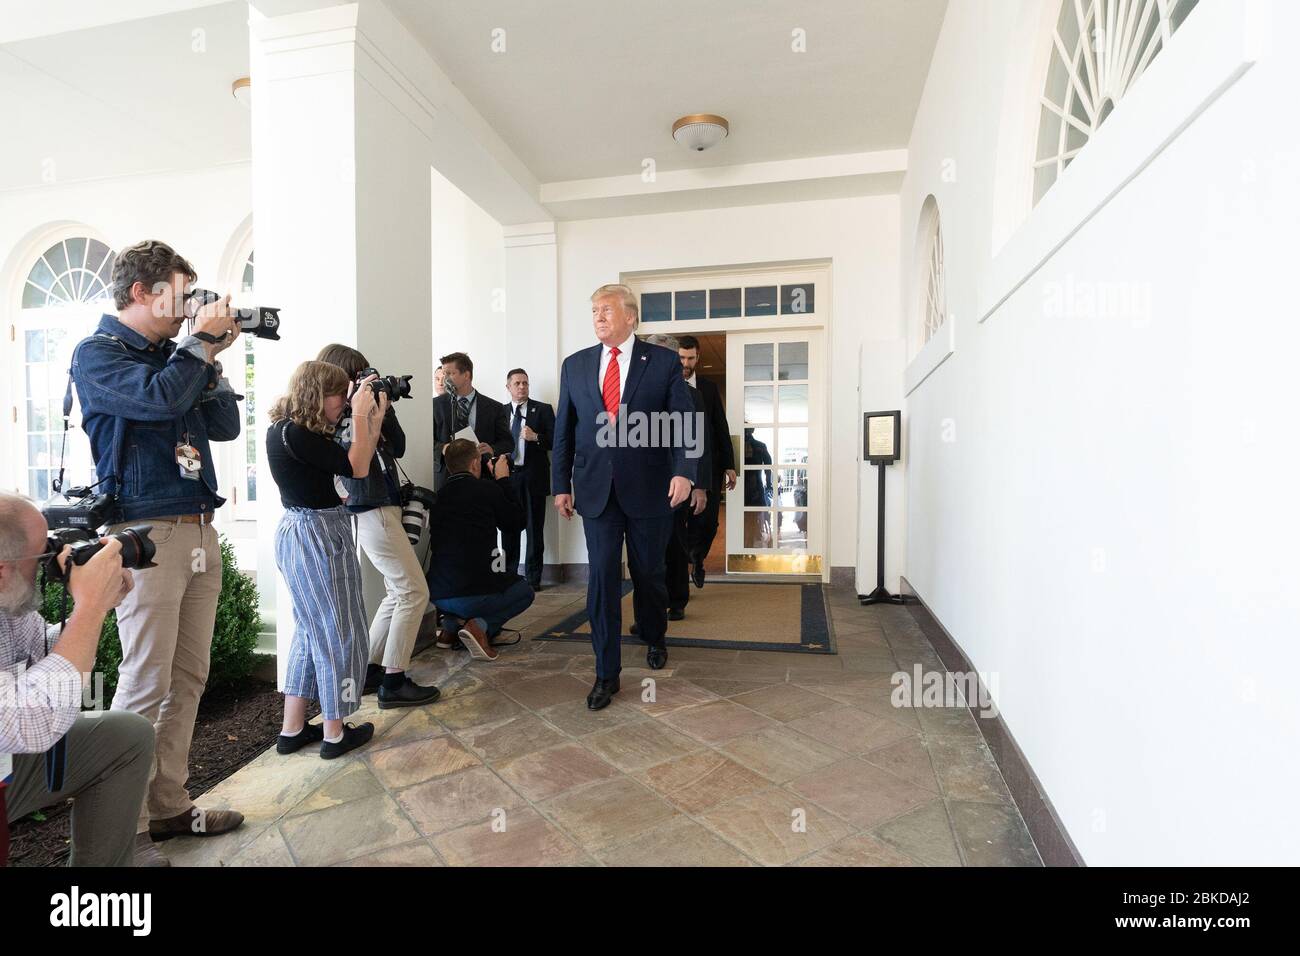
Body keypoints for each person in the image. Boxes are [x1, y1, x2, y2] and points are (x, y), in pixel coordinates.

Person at [70, 239, 244, 860]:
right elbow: (158, 401)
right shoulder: (98, 355)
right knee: (145, 680)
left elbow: (224, 427)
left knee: (188, 676)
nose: (188, 309)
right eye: (178, 294)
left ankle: (168, 807)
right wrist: (197, 349)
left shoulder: (178, 356)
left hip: (198, 526)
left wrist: (211, 358)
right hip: (146, 532)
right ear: (141, 292)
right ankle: (124, 835)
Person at [552, 284, 697, 710]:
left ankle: (654, 634)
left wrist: (685, 474)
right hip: (596, 490)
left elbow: (684, 424)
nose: (598, 317)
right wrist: (561, 484)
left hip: (651, 489)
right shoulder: (575, 365)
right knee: (600, 580)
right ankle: (606, 673)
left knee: (649, 573)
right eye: (594, 310)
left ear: (631, 317)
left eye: (607, 310)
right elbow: (565, 431)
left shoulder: (664, 363)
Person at [1, 493, 154, 867]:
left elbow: (41, 652)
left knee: (126, 737)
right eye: (43, 555)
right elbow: (31, 721)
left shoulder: (8, 600)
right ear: (3, 569)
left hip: (6, 763)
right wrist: (89, 607)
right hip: (13, 740)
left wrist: (99, 604)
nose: (51, 563)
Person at [266, 361, 388, 759]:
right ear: (319, 394)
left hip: (298, 532)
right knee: (340, 630)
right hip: (318, 535)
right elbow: (358, 466)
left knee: (309, 629)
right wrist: (364, 416)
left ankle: (292, 727)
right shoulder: (298, 434)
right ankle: (335, 732)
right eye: (340, 394)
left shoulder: (283, 429)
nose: (344, 401)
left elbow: (346, 460)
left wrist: (368, 417)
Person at [315, 345, 438, 709]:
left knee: (397, 592)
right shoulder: (337, 418)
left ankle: (369, 669)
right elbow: (356, 462)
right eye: (356, 374)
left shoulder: (366, 408)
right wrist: (360, 411)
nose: (362, 380)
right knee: (415, 592)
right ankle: (394, 680)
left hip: (384, 507)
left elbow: (397, 448)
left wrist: (385, 408)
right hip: (370, 509)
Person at [425, 440, 535, 660]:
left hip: (437, 594)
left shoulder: (438, 495)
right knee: (524, 591)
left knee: (462, 578)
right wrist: (503, 480)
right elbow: (516, 522)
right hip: (473, 593)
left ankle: (451, 627)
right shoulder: (486, 489)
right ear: (475, 463)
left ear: (448, 466)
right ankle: (480, 627)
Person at [643, 334, 711, 622]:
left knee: (674, 543)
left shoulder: (691, 395)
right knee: (646, 550)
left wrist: (699, 485)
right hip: (642, 483)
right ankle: (649, 608)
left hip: (677, 482)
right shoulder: (634, 392)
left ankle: (677, 599)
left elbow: (698, 443)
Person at [676, 335, 736, 587]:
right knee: (680, 522)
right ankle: (683, 564)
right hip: (678, 468)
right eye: (681, 357)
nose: (686, 363)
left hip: (708, 465)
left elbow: (720, 427)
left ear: (698, 357)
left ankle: (697, 558)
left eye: (690, 357)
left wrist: (730, 464)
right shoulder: (666, 385)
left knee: (709, 522)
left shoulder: (709, 388)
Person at [502, 368, 554, 590]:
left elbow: (556, 441)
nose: (522, 387)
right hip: (508, 479)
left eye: (525, 383)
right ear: (508, 387)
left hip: (533, 477)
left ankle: (533, 579)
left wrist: (536, 437)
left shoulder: (542, 410)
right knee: (508, 529)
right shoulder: (500, 412)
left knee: (534, 529)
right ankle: (509, 577)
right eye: (517, 384)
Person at [431, 352, 513, 491]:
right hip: (446, 479)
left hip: (483, 480)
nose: (445, 379)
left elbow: (508, 443)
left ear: (466, 375)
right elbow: (426, 441)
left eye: (450, 373)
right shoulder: (434, 405)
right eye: (444, 374)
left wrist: (492, 449)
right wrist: (443, 448)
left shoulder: (494, 408)